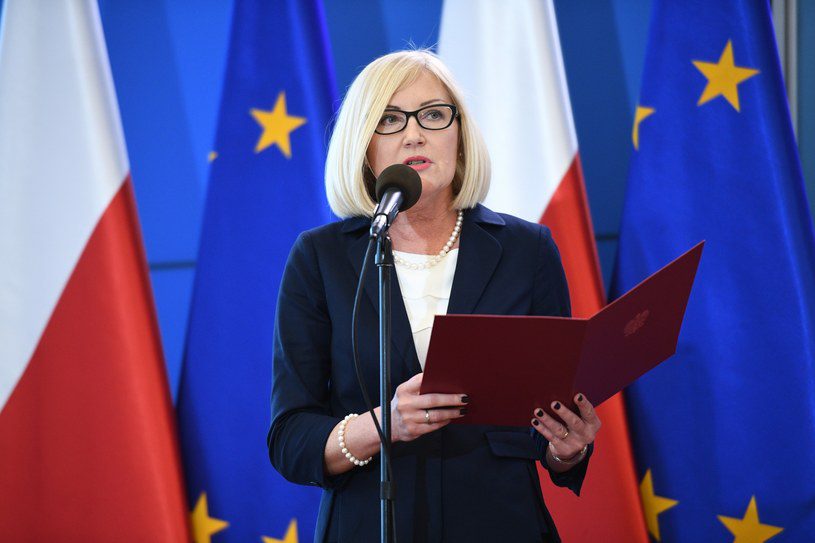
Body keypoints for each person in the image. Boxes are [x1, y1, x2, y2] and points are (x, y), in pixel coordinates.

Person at [268, 49, 602, 543]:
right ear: (363, 147)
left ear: (460, 138)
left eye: (433, 114)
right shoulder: (320, 257)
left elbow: (544, 416)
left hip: (501, 525)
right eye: (389, 119)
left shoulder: (527, 250)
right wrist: (385, 424)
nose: (414, 134)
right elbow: (291, 439)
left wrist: (565, 448)